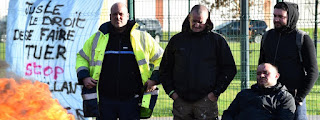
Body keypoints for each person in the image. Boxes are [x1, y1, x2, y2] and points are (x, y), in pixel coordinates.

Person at [76, 2, 163, 120]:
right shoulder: (98, 37)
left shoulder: (143, 38)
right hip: (105, 100)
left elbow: (162, 58)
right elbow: (81, 57)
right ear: (110, 16)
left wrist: (154, 79)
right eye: (114, 14)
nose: (118, 17)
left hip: (132, 100)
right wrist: (84, 76)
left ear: (128, 16)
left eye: (121, 14)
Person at [160, 5, 237, 120]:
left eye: (200, 22)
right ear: (189, 18)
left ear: (207, 21)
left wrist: (215, 93)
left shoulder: (217, 41)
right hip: (181, 101)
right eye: (194, 21)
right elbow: (165, 68)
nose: (196, 25)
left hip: (206, 101)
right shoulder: (177, 41)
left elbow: (229, 69)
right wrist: (172, 93)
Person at [259, 2, 318, 120]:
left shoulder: (302, 39)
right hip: (269, 98)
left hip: (294, 98)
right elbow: (261, 66)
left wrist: (300, 98)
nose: (276, 19)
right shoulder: (267, 37)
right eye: (274, 16)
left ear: (290, 17)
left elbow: (313, 72)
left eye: (281, 17)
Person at [222, 63, 296, 120]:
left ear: (276, 76)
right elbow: (228, 114)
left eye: (265, 72)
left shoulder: (284, 98)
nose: (261, 75)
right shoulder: (244, 94)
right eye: (258, 73)